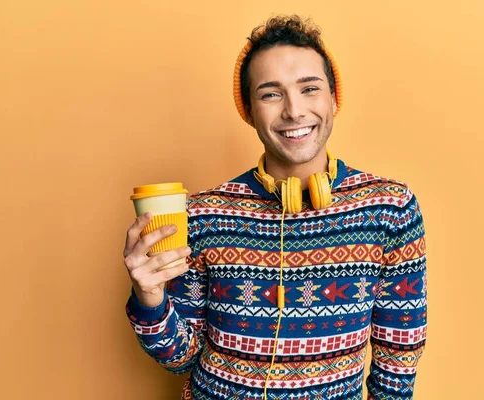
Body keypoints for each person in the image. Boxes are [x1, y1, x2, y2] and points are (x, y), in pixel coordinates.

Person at [123, 14, 427, 400]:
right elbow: (181, 358)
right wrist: (149, 299)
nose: (294, 111)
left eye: (309, 88)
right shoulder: (202, 214)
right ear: (248, 111)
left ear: (335, 99)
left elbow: (398, 362)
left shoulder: (391, 209)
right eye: (271, 93)